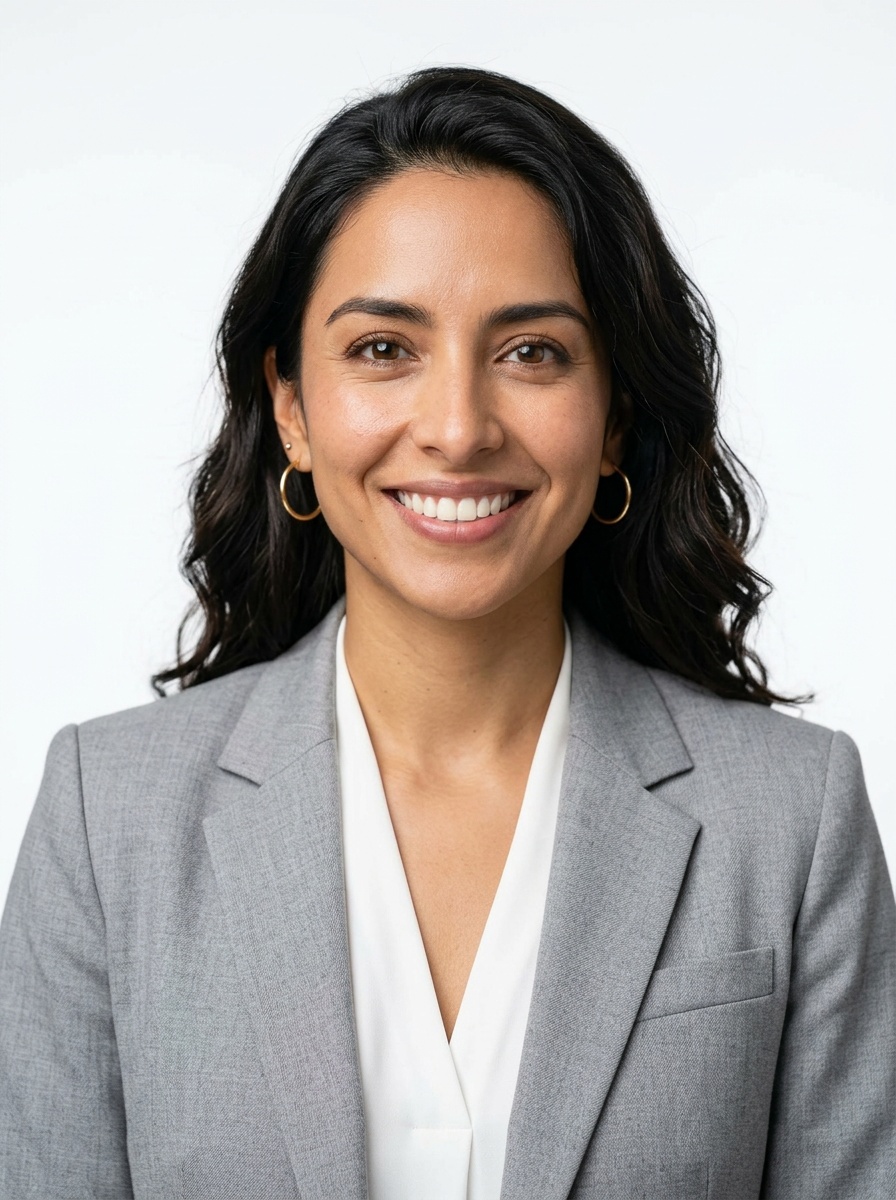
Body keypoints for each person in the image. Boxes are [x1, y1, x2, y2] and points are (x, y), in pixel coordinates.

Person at [1, 65, 893, 1200]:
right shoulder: (107, 820)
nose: (460, 429)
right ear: (291, 407)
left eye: (532, 352)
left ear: (613, 417)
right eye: (384, 349)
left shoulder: (792, 821)